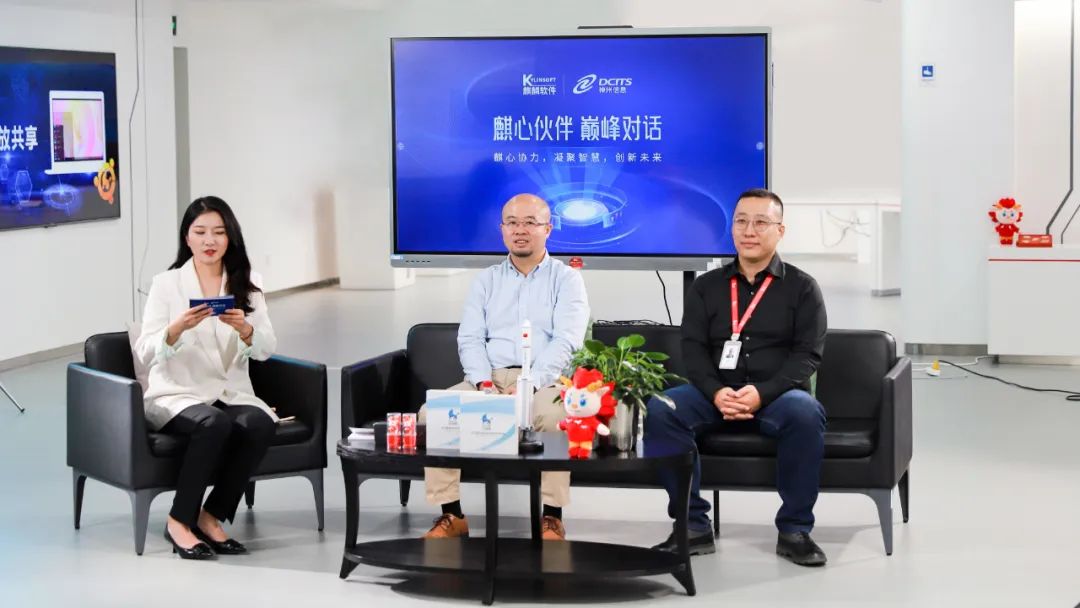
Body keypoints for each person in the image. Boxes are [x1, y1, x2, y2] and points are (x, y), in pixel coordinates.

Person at [645, 188, 829, 566]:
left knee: (805, 413)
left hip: (776, 396)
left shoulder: (802, 287)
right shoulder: (706, 287)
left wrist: (762, 392)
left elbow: (807, 355)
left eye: (761, 222)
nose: (749, 231)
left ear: (780, 230)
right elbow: (693, 350)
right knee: (662, 409)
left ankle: (795, 530)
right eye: (741, 221)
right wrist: (716, 392)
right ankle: (693, 526)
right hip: (714, 395)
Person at [418, 193, 589, 541]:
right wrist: (483, 384)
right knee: (432, 413)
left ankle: (551, 517)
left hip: (545, 381)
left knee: (555, 417)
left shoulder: (566, 279)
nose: (520, 230)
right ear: (502, 230)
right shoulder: (486, 280)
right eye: (512, 223)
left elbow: (566, 341)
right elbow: (470, 339)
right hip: (489, 379)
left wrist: (530, 384)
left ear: (548, 229)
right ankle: (452, 515)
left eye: (530, 223)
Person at [135, 196, 278, 560]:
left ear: (230, 237)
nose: (209, 240)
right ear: (187, 238)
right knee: (213, 423)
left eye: (218, 232)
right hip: (177, 394)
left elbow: (266, 349)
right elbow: (145, 351)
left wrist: (246, 330)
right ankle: (179, 521)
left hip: (227, 392)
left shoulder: (249, 283)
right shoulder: (166, 284)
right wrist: (175, 329)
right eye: (200, 232)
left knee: (260, 423)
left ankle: (211, 515)